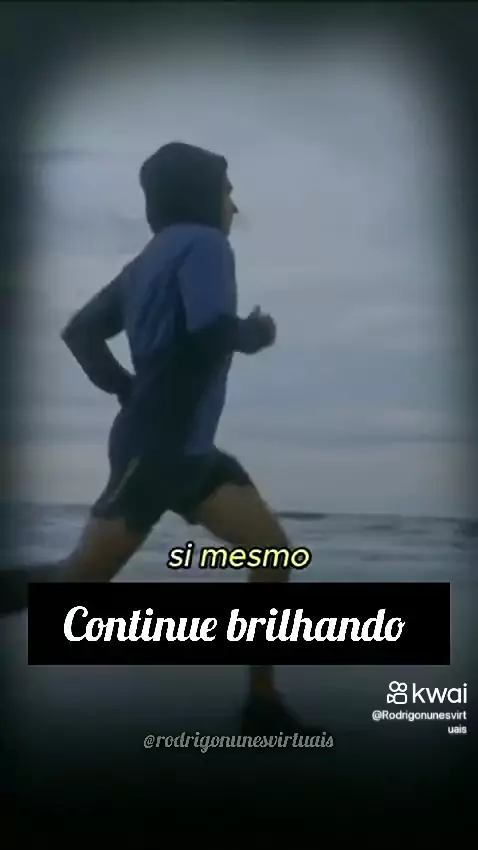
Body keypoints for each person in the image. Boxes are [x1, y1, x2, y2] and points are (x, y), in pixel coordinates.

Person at [2, 142, 321, 735]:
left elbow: (81, 333)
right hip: (156, 453)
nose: (233, 204)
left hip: (189, 452)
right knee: (77, 585)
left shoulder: (145, 261)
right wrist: (257, 332)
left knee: (271, 552)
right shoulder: (207, 245)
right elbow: (208, 332)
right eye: (227, 190)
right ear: (200, 193)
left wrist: (126, 387)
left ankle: (262, 703)